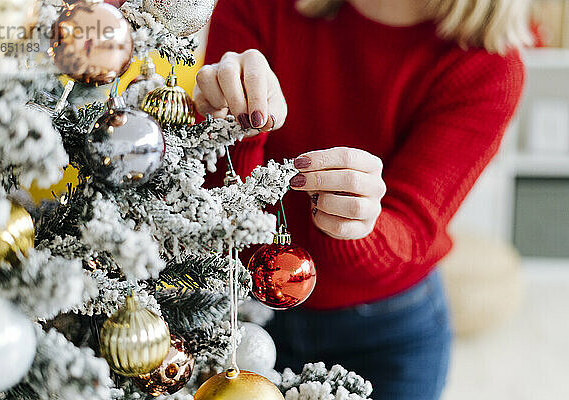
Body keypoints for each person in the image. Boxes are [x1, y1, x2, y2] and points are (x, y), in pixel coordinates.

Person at [196, 0, 530, 399]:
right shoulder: (257, 7)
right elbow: (216, 211)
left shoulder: (489, 66)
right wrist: (231, 125)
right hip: (240, 312)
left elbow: (411, 228)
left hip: (387, 332)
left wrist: (360, 223)